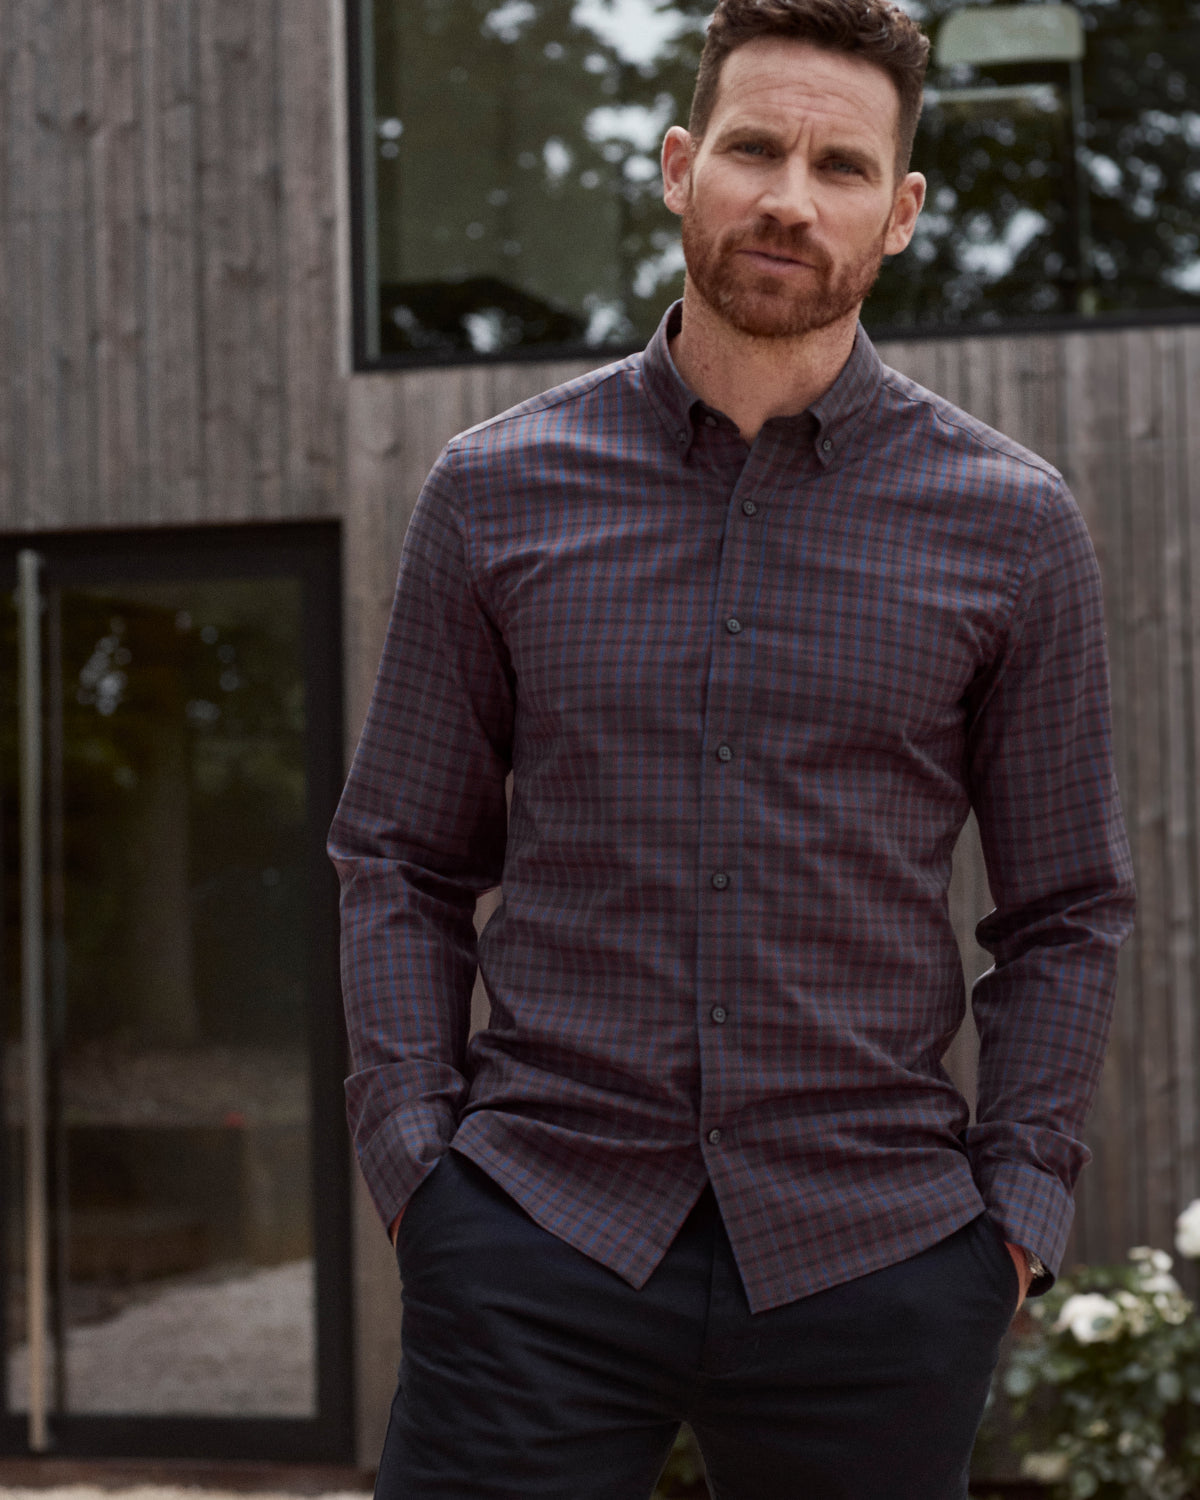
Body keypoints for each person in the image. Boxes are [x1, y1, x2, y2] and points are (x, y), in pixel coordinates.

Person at [329, 1, 1135, 1495]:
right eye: (756, 149)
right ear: (678, 167)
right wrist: (415, 1170)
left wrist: (1013, 1217)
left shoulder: (1011, 526)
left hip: (877, 1262)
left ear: (900, 213)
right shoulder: (495, 492)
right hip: (533, 1238)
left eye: (842, 166)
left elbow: (1070, 906)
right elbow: (400, 856)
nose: (790, 198)